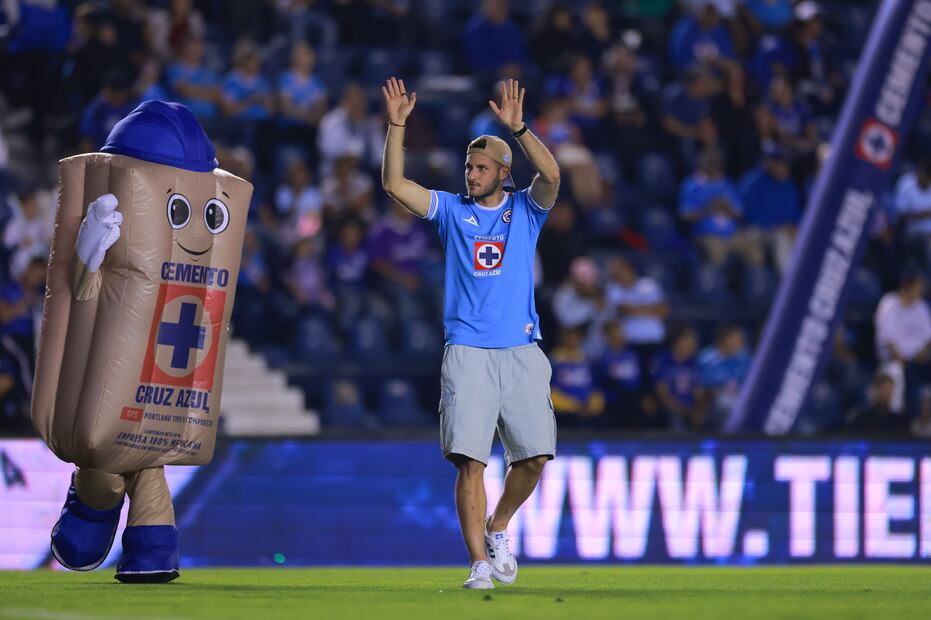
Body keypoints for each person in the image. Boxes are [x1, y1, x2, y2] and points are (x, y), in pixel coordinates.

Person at [381, 76, 560, 589]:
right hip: (467, 351)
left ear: (504, 173)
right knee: (471, 462)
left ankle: (499, 525)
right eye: (468, 167)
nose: (471, 174)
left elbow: (553, 174)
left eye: (481, 168)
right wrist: (396, 126)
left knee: (535, 459)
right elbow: (395, 185)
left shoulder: (525, 210)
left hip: (522, 348)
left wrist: (520, 128)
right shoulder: (452, 212)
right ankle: (479, 562)